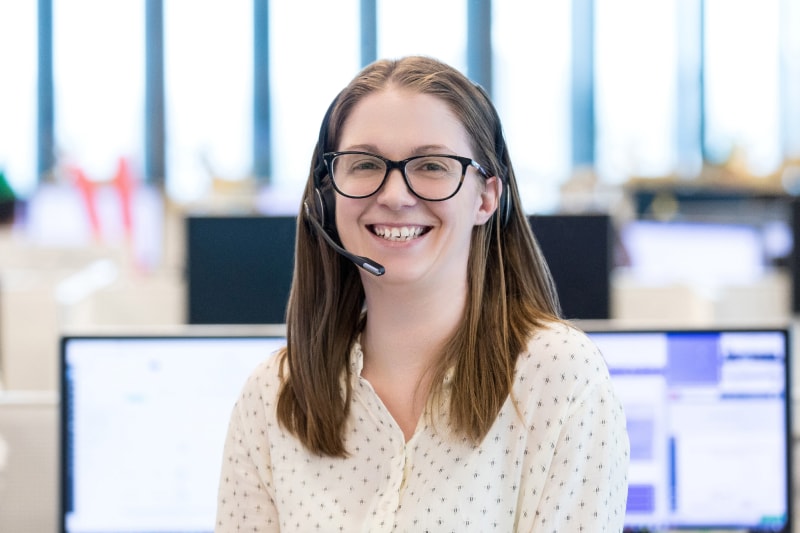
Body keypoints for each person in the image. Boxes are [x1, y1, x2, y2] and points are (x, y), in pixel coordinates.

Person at [215, 55, 629, 532]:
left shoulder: (558, 377)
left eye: (431, 165)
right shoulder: (274, 394)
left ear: (485, 197)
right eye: (365, 164)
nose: (394, 194)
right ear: (328, 194)